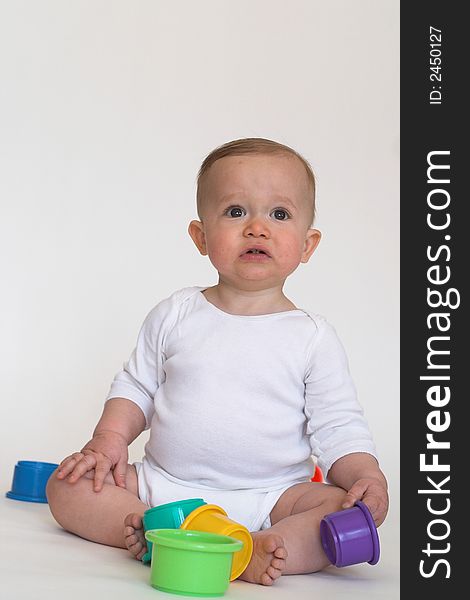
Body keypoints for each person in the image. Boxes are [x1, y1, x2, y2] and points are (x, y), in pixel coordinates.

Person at [46, 137, 389, 586]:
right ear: (201, 237)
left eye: (279, 214)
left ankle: (260, 547)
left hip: (272, 498)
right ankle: (149, 527)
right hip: (164, 489)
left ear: (307, 245)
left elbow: (338, 424)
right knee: (66, 486)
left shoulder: (313, 338)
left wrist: (367, 475)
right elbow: (137, 387)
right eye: (235, 212)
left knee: (338, 510)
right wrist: (108, 441)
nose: (257, 228)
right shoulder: (176, 313)